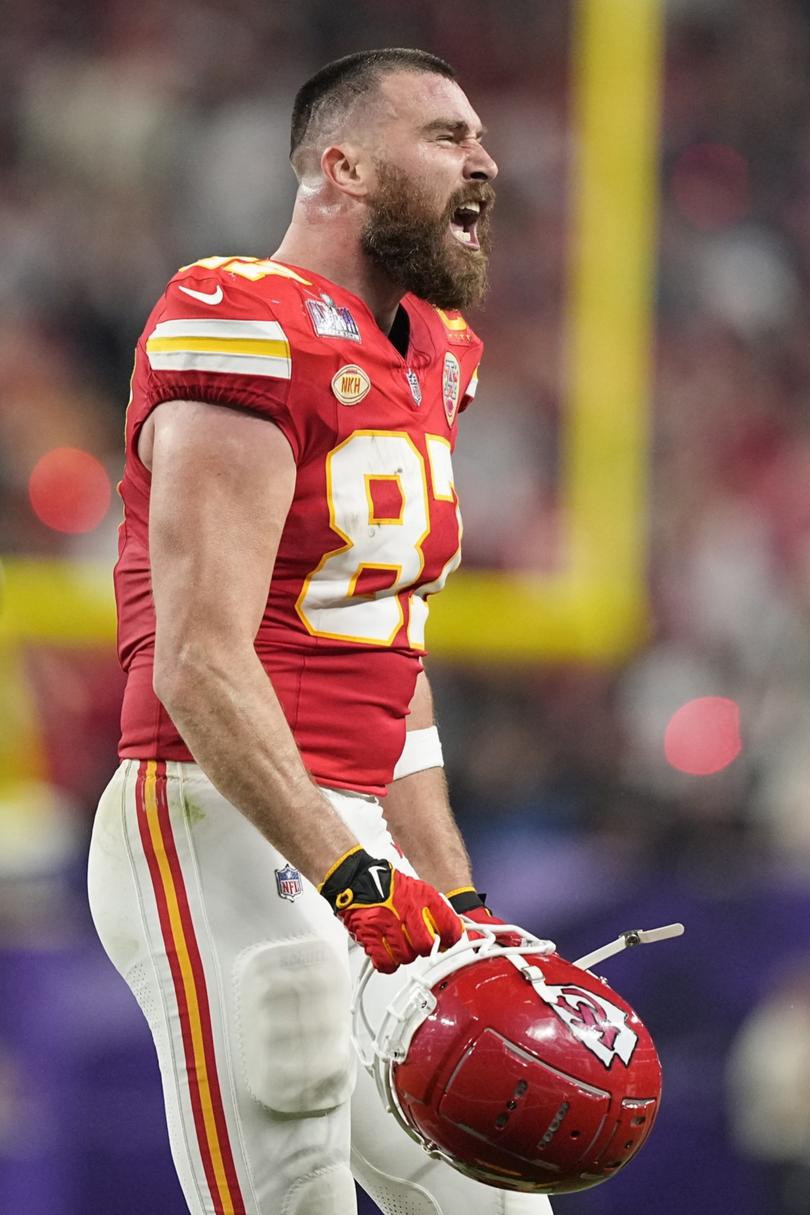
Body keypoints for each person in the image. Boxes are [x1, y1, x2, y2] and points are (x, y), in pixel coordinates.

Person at [88, 47, 554, 1215]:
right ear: (339, 166)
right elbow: (200, 660)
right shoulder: (238, 317)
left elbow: (391, 659)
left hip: (350, 830)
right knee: (288, 1151)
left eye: (482, 136)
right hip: (214, 809)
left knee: (491, 1184)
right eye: (446, 135)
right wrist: (348, 873)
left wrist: (462, 906)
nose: (484, 159)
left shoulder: (434, 356)